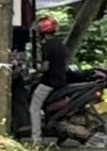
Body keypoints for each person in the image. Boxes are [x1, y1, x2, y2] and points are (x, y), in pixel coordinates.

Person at [29, 14, 95, 143]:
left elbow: (46, 67)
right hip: (61, 80)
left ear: (42, 32)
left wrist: (36, 70)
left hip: (49, 82)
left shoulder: (47, 46)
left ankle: (36, 139)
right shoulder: (59, 44)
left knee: (34, 108)